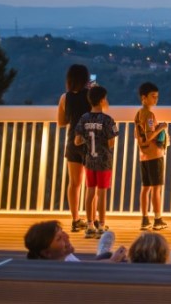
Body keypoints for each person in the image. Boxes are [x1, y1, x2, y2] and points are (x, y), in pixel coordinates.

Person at [74, 85, 119, 238]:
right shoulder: (107, 120)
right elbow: (111, 142)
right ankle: (101, 224)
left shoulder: (84, 118)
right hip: (104, 161)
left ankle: (89, 224)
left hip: (89, 160)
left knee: (90, 192)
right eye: (105, 98)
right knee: (102, 193)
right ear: (101, 101)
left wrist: (88, 140)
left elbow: (77, 141)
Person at [56, 64, 91, 232]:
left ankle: (76, 219)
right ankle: (92, 220)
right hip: (89, 142)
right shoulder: (91, 96)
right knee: (92, 183)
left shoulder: (65, 97)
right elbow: (103, 110)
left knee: (74, 183)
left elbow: (61, 122)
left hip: (72, 142)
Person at [134, 81, 168, 231]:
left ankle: (144, 218)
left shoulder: (138, 114)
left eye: (157, 96)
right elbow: (148, 136)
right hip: (154, 155)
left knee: (145, 187)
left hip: (143, 155)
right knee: (156, 188)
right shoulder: (149, 115)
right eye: (153, 96)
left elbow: (139, 136)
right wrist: (161, 127)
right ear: (144, 98)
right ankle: (157, 219)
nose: (156, 99)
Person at [24, 220, 126, 262]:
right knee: (118, 260)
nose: (67, 237)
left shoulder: (60, 256)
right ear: (47, 253)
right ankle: (104, 252)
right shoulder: (66, 271)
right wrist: (113, 261)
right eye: (59, 238)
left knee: (107, 255)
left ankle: (103, 252)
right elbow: (87, 270)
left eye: (63, 233)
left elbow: (84, 266)